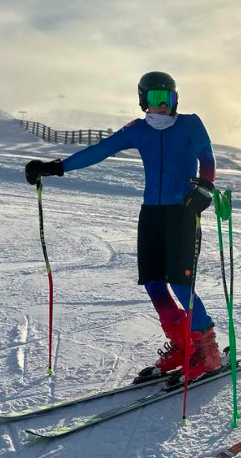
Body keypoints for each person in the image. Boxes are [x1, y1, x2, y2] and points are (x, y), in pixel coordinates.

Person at [24, 71, 220, 382]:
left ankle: (208, 353)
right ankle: (184, 347)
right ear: (143, 101)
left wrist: (205, 187)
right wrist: (56, 167)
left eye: (167, 98)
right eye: (155, 99)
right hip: (151, 215)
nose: (162, 105)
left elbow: (206, 159)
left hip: (183, 212)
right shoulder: (138, 130)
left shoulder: (190, 123)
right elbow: (99, 150)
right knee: (155, 283)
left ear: (176, 99)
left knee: (181, 284)